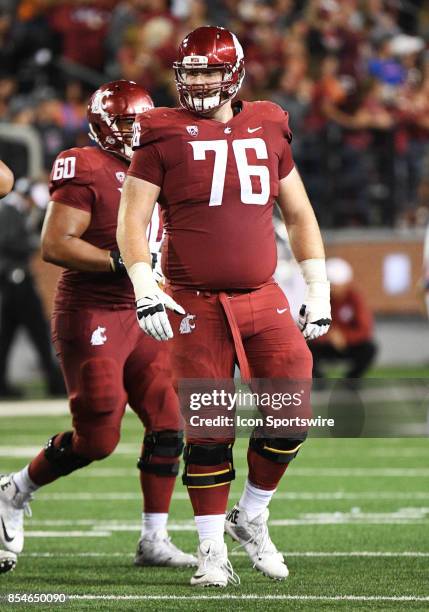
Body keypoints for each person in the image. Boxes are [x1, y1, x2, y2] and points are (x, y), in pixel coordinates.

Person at [117, 27, 331, 587]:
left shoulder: (268, 120)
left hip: (263, 296)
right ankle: (211, 548)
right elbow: (131, 222)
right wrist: (144, 288)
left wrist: (318, 288)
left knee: (291, 415)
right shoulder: (159, 129)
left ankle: (252, 515)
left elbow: (300, 214)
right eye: (190, 72)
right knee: (209, 429)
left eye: (209, 72)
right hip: (193, 301)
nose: (199, 82)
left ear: (234, 73)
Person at [0, 80, 196, 575]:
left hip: (145, 311)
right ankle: (14, 490)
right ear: (105, 125)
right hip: (93, 312)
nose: (136, 134)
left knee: (169, 422)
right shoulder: (85, 164)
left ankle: (154, 538)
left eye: (141, 124)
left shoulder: (160, 167)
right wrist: (125, 263)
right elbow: (57, 244)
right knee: (98, 439)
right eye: (128, 124)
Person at [0, 179, 65, 398]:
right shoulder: (9, 210)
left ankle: (5, 385)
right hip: (16, 281)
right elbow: (8, 241)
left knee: (7, 336)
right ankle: (55, 383)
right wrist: (32, 243)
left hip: (11, 281)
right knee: (37, 331)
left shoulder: (11, 209)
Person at [309, 257, 377, 382]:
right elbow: (308, 327)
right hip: (324, 345)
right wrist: (329, 336)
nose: (333, 288)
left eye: (336, 284)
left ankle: (351, 381)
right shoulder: (318, 299)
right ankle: (319, 380)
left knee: (369, 348)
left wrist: (344, 337)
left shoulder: (355, 299)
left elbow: (365, 329)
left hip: (348, 345)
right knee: (305, 348)